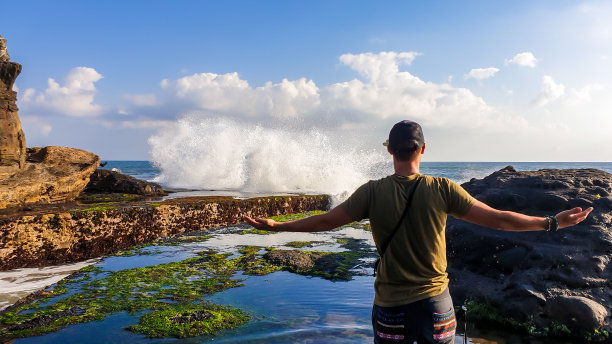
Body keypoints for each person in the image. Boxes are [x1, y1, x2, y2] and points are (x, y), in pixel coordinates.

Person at [242, 120, 593, 344]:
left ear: (390, 151)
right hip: (437, 307)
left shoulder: (372, 191)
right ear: (422, 149)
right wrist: (551, 222)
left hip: (391, 307)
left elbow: (324, 222)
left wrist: (278, 226)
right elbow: (499, 219)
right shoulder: (442, 188)